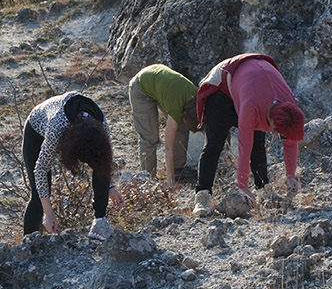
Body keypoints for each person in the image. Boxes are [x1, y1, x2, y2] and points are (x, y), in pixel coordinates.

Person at [192, 53, 305, 216]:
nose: (276, 134)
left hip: (251, 85)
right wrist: (242, 186)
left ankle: (263, 191)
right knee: (214, 145)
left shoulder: (290, 106)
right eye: (276, 131)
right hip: (222, 89)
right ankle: (202, 197)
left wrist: (290, 175)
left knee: (259, 144)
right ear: (272, 123)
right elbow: (244, 148)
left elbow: (290, 141)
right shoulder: (252, 106)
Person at [23, 91, 124, 239]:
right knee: (39, 197)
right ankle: (28, 242)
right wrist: (48, 212)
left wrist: (109, 186)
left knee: (100, 166)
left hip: (74, 129)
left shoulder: (102, 126)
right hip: (36, 130)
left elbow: (104, 161)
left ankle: (99, 223)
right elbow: (40, 169)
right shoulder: (56, 129)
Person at [128, 64, 200, 188]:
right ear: (183, 113)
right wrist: (170, 181)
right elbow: (168, 147)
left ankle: (179, 170)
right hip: (140, 88)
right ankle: (148, 179)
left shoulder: (196, 96)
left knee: (182, 127)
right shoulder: (176, 109)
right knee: (150, 138)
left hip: (160, 83)